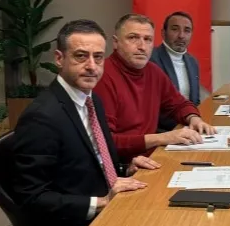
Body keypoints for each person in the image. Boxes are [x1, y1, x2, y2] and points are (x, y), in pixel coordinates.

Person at [12, 20, 161, 226]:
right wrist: (102, 202)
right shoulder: (41, 117)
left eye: (98, 57)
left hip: (109, 205)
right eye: (81, 56)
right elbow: (32, 197)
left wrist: (125, 169)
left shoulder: (91, 100)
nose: (92, 66)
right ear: (59, 59)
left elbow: (83, 166)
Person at [93, 14, 216, 160]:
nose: (142, 47)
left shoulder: (153, 71)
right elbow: (105, 142)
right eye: (133, 38)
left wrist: (194, 118)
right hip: (124, 164)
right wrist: (162, 138)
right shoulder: (103, 76)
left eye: (148, 39)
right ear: (115, 42)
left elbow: (178, 104)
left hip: (153, 156)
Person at [150, 11, 201, 132]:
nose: (181, 36)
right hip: (163, 131)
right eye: (175, 29)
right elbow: (152, 108)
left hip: (189, 126)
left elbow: (195, 101)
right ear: (163, 33)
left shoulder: (192, 62)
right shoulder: (151, 60)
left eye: (187, 30)